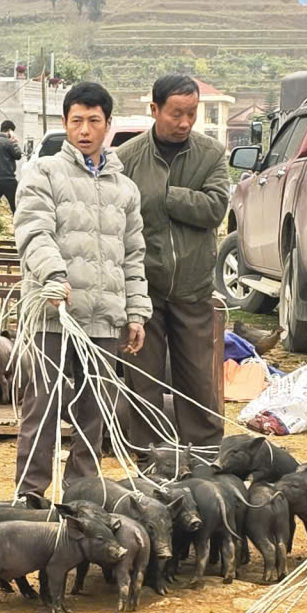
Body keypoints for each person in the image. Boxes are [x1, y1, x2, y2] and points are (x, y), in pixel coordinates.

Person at [12, 81, 148, 502]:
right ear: (66, 124)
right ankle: (30, 497)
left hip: (104, 318)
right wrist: (53, 274)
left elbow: (133, 254)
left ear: (108, 125)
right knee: (43, 408)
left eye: (93, 121)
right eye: (77, 121)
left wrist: (137, 312)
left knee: (94, 414)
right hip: (55, 314)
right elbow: (34, 230)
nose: (85, 129)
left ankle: (83, 497)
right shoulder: (44, 173)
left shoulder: (124, 189)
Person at [117, 74, 231, 453]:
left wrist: (165, 195)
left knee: (198, 379)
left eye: (192, 114)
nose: (184, 123)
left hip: (193, 288)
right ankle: (150, 458)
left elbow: (215, 208)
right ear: (155, 110)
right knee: (142, 380)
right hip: (145, 290)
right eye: (176, 114)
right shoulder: (127, 158)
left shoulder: (210, 153)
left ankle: (205, 456)